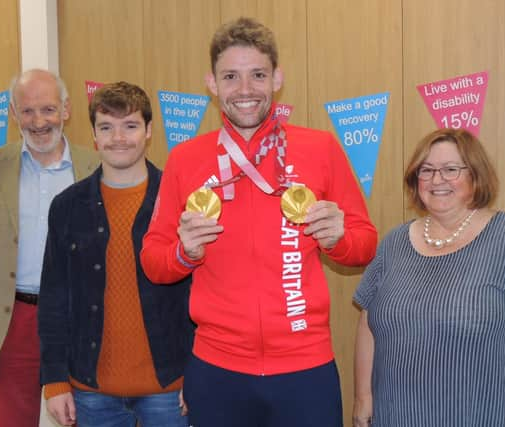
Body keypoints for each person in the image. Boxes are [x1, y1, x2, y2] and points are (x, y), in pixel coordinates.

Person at [141, 17, 377, 427]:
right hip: (217, 369)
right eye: (231, 76)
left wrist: (338, 239)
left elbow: (365, 243)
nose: (245, 89)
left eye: (257, 75)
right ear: (212, 84)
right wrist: (185, 252)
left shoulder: (319, 148)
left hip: (305, 366)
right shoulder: (185, 160)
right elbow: (153, 262)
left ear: (277, 79)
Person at [352, 128, 505, 427]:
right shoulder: (395, 243)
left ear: (476, 175)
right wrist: (363, 396)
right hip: (399, 412)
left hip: (484, 412)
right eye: (426, 170)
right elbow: (369, 321)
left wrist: (498, 356)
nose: (436, 180)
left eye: (450, 170)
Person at [38, 81, 194, 427]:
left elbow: (204, 296)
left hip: (170, 386)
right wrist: (54, 380)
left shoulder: (181, 202)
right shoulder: (66, 207)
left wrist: (199, 373)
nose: (118, 138)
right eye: (106, 127)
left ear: (149, 131)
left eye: (130, 126)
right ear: (94, 135)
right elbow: (53, 300)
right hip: (91, 390)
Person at [0, 69, 99, 427]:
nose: (39, 122)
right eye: (27, 111)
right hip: (11, 320)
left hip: (79, 318)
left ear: (66, 110)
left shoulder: (96, 167)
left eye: (48, 109)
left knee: (83, 417)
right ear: (13, 114)